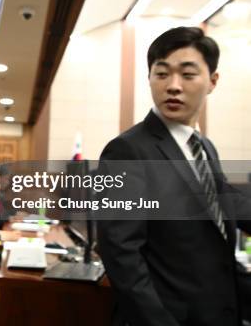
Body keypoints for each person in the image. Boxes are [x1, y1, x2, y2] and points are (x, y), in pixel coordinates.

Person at [97, 26, 251, 326]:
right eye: (162, 73)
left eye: (188, 74)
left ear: (212, 81)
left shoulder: (205, 147)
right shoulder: (127, 150)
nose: (173, 86)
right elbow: (121, 256)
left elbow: (221, 203)